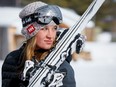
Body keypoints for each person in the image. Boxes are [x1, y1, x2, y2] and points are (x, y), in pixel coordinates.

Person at [2, 1, 85, 87]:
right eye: (44, 29)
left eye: (54, 28)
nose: (51, 36)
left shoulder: (62, 69)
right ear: (31, 31)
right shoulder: (12, 59)